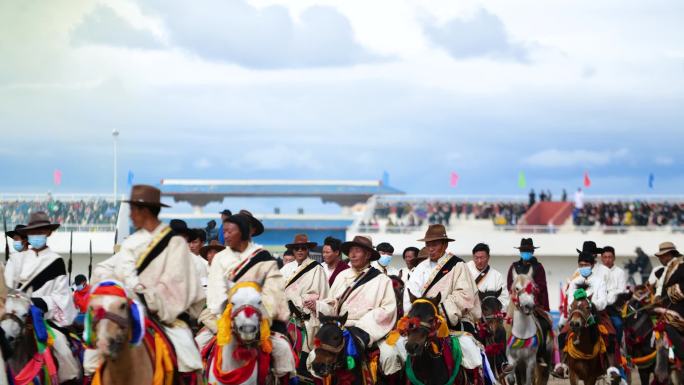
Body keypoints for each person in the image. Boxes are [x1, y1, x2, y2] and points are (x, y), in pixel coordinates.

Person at [91, 185, 205, 380]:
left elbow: (177, 284)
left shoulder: (174, 244)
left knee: (188, 357)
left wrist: (146, 297)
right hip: (125, 312)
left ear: (145, 211)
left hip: (163, 318)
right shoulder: (130, 242)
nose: (131, 215)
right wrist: (112, 287)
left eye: (134, 210)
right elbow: (106, 270)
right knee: (92, 359)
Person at [205, 212, 295, 379]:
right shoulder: (220, 259)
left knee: (283, 352)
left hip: (260, 317)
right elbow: (215, 293)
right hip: (226, 317)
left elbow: (273, 293)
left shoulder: (264, 257)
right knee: (197, 345)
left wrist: (261, 317)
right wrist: (224, 317)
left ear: (251, 231)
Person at [306, 235, 400, 377]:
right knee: (313, 357)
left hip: (370, 331)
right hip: (340, 330)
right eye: (350, 251)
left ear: (368, 254)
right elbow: (332, 304)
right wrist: (318, 306)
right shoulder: (342, 276)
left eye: (357, 251)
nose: (352, 255)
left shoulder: (382, 280)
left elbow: (387, 310)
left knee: (389, 356)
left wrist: (362, 326)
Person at [4, 212, 80, 383]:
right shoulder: (16, 260)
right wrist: (18, 303)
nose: (36, 236)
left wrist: (37, 303)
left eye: (40, 232)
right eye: (33, 232)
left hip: (44, 319)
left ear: (48, 233)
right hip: (15, 315)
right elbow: (7, 290)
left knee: (63, 350)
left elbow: (62, 296)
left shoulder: (56, 261)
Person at [403, 225, 484, 373]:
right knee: (397, 352)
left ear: (445, 245)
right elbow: (410, 296)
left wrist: (438, 312)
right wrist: (415, 318)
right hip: (420, 325)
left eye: (435, 244)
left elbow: (464, 295)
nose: (431, 248)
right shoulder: (419, 268)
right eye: (428, 245)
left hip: (452, 322)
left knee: (472, 352)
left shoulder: (458, 265)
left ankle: (481, 378)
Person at [558, 247, 618, 377]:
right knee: (562, 334)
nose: (583, 267)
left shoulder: (599, 281)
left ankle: (611, 367)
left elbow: (603, 301)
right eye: (581, 265)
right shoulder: (574, 282)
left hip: (596, 314)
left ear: (592, 265)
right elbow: (569, 302)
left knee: (610, 334)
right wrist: (576, 308)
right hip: (577, 314)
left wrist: (590, 305)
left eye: (586, 265)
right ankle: (562, 365)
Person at [281, 234, 329, 364]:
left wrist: (313, 304)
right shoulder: (287, 268)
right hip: (287, 317)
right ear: (293, 251)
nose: (300, 250)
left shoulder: (317, 269)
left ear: (308, 250)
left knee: (305, 356)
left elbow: (324, 295)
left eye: (303, 248)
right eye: (297, 248)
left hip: (307, 319)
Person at [506, 238, 552, 369]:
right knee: (504, 328)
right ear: (520, 251)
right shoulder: (514, 267)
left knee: (544, 325)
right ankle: (504, 357)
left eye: (528, 251)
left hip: (534, 305)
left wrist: (531, 293)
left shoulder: (538, 267)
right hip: (515, 306)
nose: (526, 253)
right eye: (524, 251)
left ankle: (540, 355)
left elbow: (542, 286)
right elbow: (510, 285)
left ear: (532, 251)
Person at [654, 242, 684, 360]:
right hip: (669, 306)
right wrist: (657, 296)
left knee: (669, 326)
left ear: (669, 254)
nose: (660, 259)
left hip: (680, 306)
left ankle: (681, 355)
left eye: (662, 256)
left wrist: (669, 294)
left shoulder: (681, 265)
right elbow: (660, 287)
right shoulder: (666, 269)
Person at [601, 246, 629, 346]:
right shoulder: (597, 271)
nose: (607, 260)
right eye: (605, 257)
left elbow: (621, 290)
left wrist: (607, 293)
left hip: (613, 308)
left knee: (618, 324)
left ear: (614, 258)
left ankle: (616, 347)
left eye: (610, 257)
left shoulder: (620, 272)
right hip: (598, 307)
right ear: (601, 258)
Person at [467, 243, 509, 308]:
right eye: (476, 258)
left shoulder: (497, 276)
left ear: (488, 257)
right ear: (473, 257)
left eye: (482, 258)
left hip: (489, 315)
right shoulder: (465, 269)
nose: (479, 261)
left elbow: (504, 299)